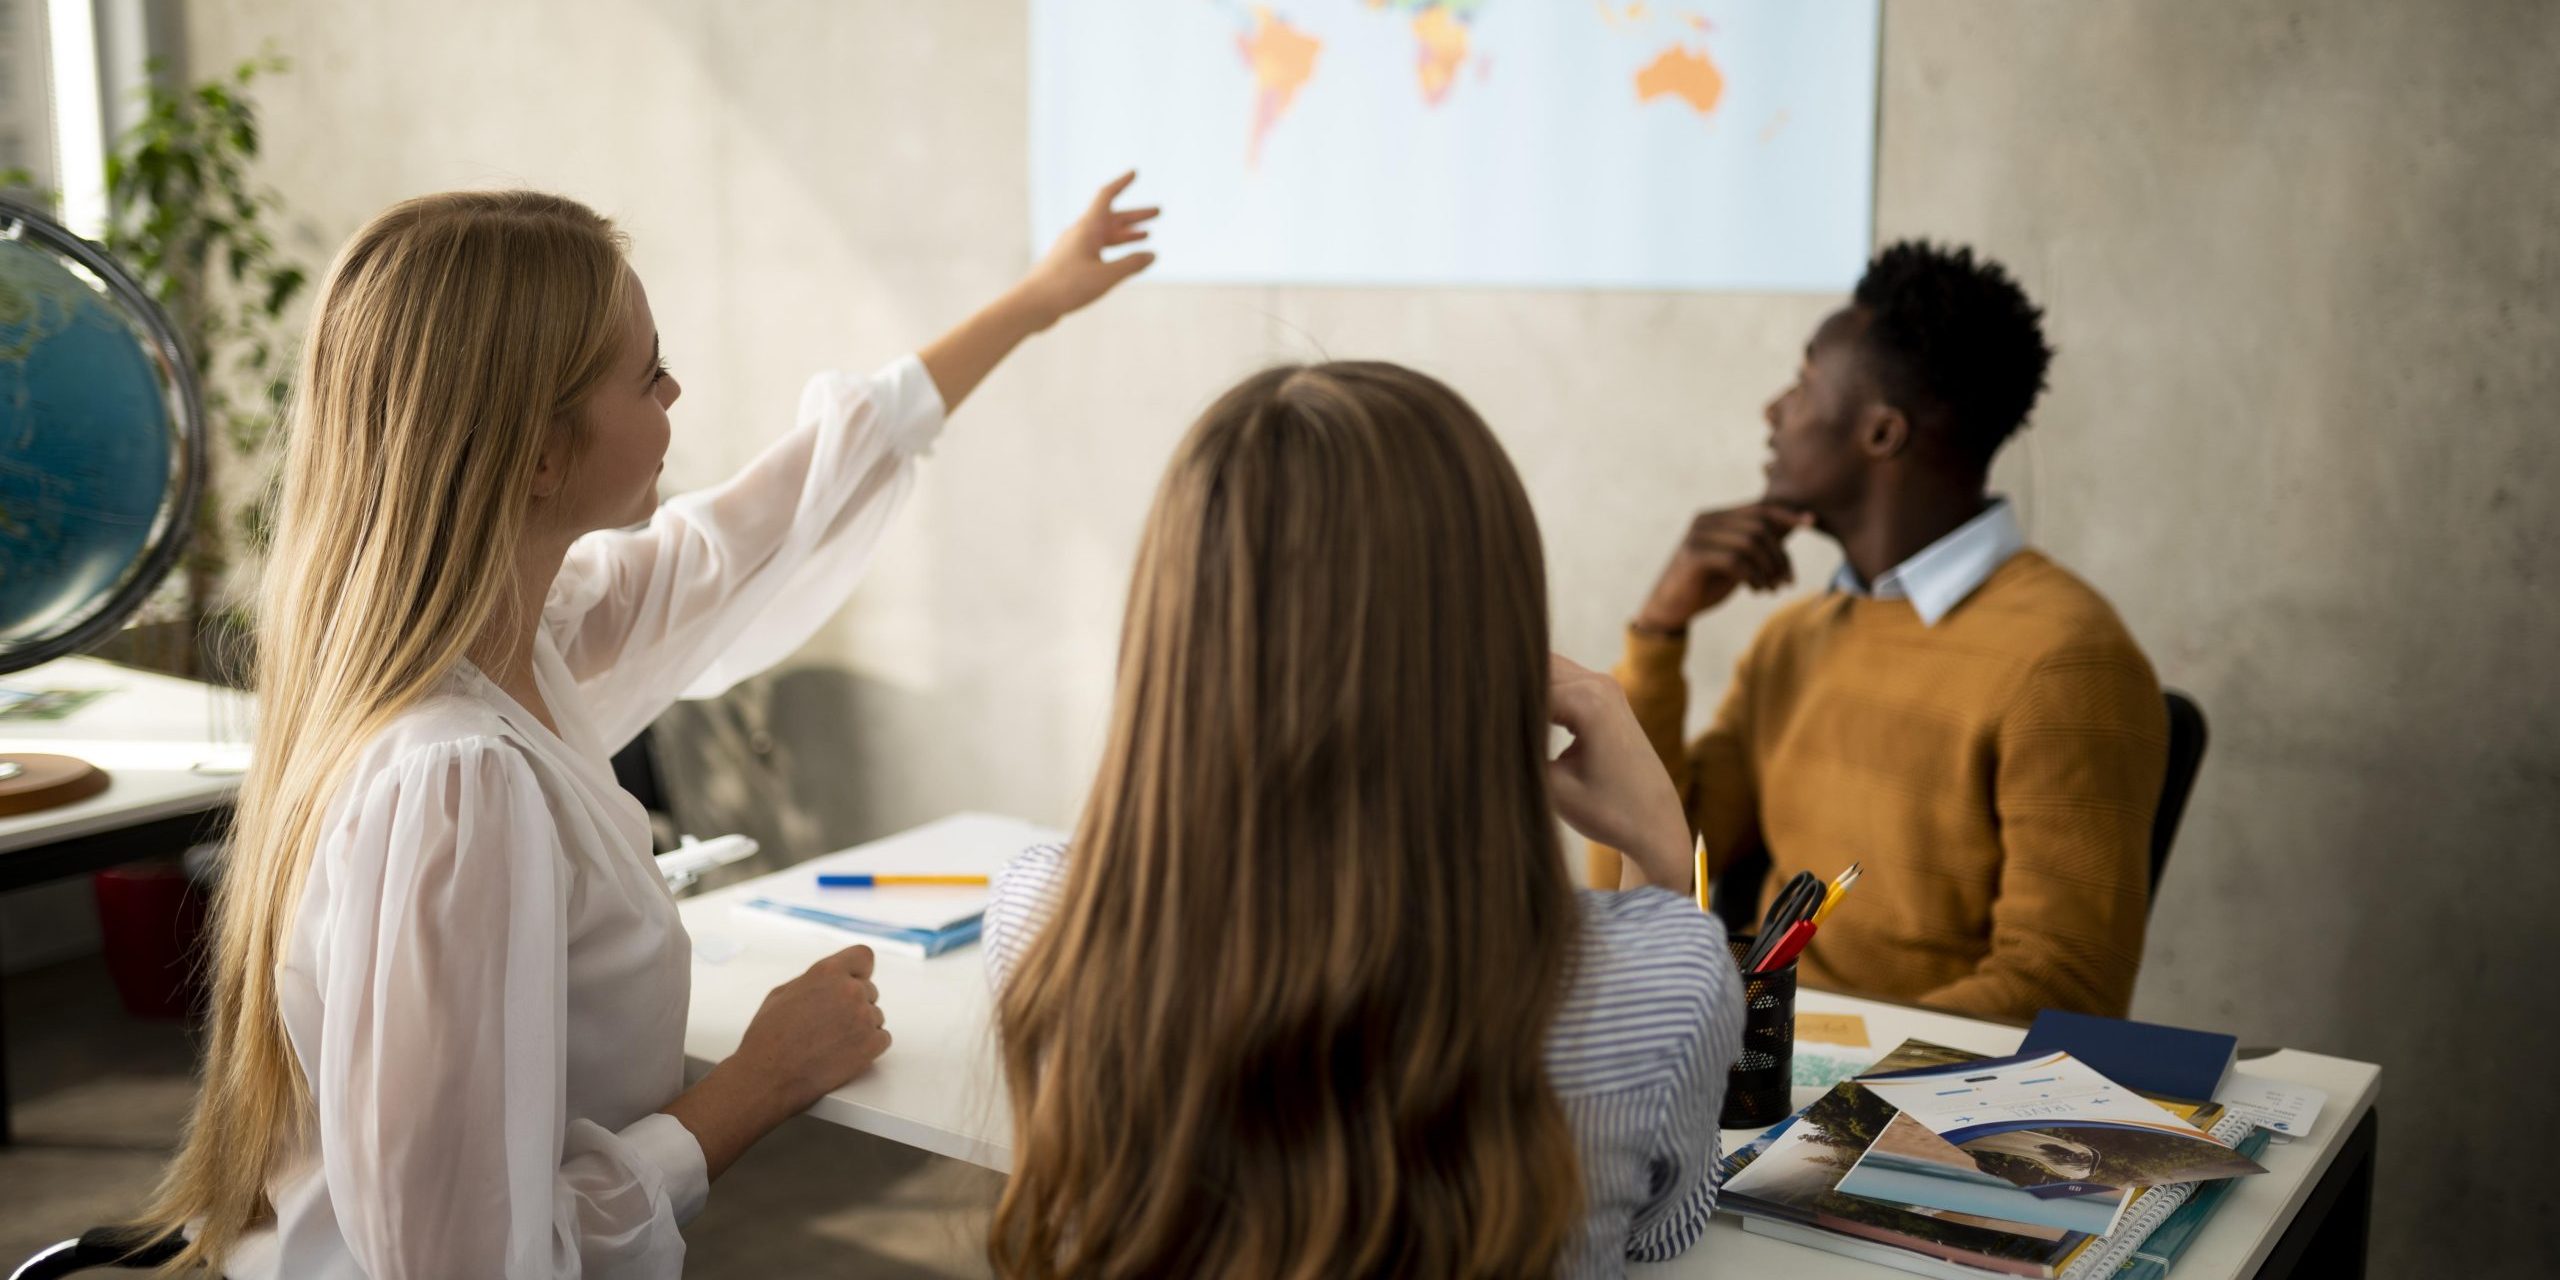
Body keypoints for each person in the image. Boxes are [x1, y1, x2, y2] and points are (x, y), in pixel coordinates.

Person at [135, 177, 1157, 1277]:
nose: (676, 389)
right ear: (536, 453)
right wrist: (753, 1084)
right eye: (647, 371)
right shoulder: (455, 780)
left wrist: (1036, 300)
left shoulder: (527, 640)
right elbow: (470, 1266)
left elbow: (760, 522)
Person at [982, 363, 1743, 1279]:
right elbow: (1657, 1233)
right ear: (1490, 639)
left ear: (1174, 638)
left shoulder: (1039, 915)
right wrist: (1660, 851)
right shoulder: (1665, 979)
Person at [1597, 241, 2168, 1021]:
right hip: (1761, 1073)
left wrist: (1787, 1043)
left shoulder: (2067, 662)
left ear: (1881, 434)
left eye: (1801, 384)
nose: (1773, 412)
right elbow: (1644, 882)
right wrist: (1660, 631)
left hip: (1907, 1114)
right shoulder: (1793, 640)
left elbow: (2065, 993)